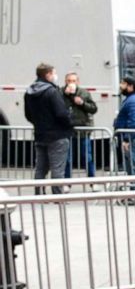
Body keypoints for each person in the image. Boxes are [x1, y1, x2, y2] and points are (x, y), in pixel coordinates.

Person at [23, 63, 72, 194]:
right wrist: (69, 122)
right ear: (48, 74)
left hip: (40, 134)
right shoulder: (52, 91)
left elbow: (28, 115)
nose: (56, 76)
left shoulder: (29, 92)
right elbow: (61, 113)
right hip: (57, 135)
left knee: (40, 168)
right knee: (57, 168)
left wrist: (39, 124)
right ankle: (57, 196)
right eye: (54, 73)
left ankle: (38, 194)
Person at [112, 75, 135, 203]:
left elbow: (134, 122)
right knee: (132, 166)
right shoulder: (132, 99)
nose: (120, 86)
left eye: (123, 84)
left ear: (130, 86)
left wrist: (127, 138)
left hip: (134, 138)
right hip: (134, 137)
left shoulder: (134, 101)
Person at [63, 72, 98, 180]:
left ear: (77, 82)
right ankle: (67, 182)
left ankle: (92, 181)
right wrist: (65, 95)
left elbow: (93, 108)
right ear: (65, 82)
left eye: (73, 81)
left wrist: (82, 103)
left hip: (83, 130)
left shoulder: (84, 93)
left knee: (87, 157)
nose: (71, 83)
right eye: (69, 81)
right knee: (67, 158)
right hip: (67, 130)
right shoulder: (60, 92)